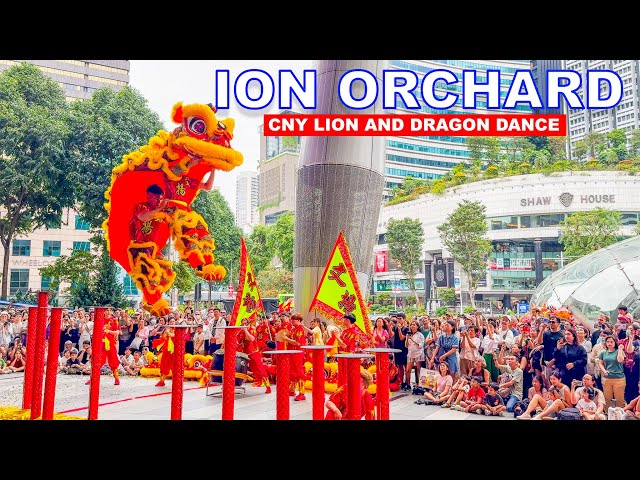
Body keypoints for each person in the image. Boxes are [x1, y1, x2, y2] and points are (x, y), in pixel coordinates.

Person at [597, 335, 627, 410]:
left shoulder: (619, 351)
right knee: (607, 398)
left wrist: (620, 349)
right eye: (608, 342)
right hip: (607, 378)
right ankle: (607, 413)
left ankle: (620, 414)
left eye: (611, 342)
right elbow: (600, 363)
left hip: (619, 378)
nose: (609, 343)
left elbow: (620, 360)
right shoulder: (603, 353)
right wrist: (604, 371)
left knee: (619, 399)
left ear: (615, 342)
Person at [405, 320, 424, 387]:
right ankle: (407, 384)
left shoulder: (420, 335)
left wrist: (412, 339)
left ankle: (419, 384)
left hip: (418, 353)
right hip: (410, 353)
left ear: (417, 326)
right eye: (411, 325)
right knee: (408, 369)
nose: (412, 326)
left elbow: (421, 345)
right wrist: (407, 339)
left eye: (414, 325)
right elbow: (406, 345)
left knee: (418, 369)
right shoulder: (408, 334)